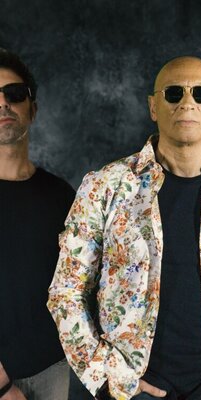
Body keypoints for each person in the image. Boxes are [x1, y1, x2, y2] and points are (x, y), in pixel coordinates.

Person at [47, 56, 201, 400]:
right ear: (153, 107)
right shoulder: (106, 186)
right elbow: (66, 292)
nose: (187, 102)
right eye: (174, 93)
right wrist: (107, 377)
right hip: (131, 387)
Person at [0, 48, 74, 400]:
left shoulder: (61, 195)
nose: (3, 104)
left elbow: (77, 288)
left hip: (53, 372)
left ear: (33, 108)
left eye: (14, 94)